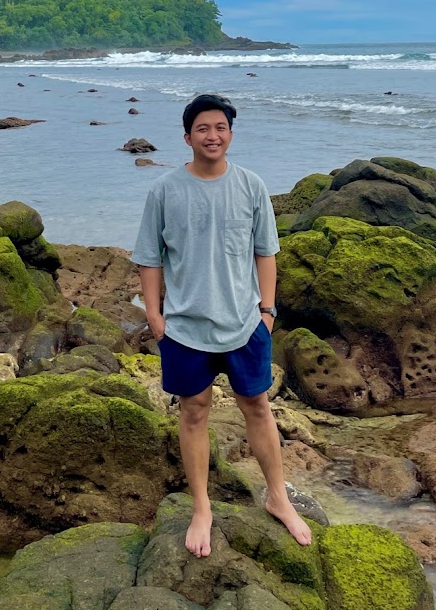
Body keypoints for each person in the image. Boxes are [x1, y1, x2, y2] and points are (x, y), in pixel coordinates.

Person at [132, 93, 312, 558]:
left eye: (220, 127)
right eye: (203, 128)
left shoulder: (251, 186)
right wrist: (154, 316)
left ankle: (278, 497)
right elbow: (149, 258)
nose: (212, 136)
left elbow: (265, 252)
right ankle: (201, 508)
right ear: (187, 136)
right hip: (185, 327)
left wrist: (267, 312)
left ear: (230, 133)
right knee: (193, 411)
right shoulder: (164, 191)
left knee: (258, 406)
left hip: (245, 322)